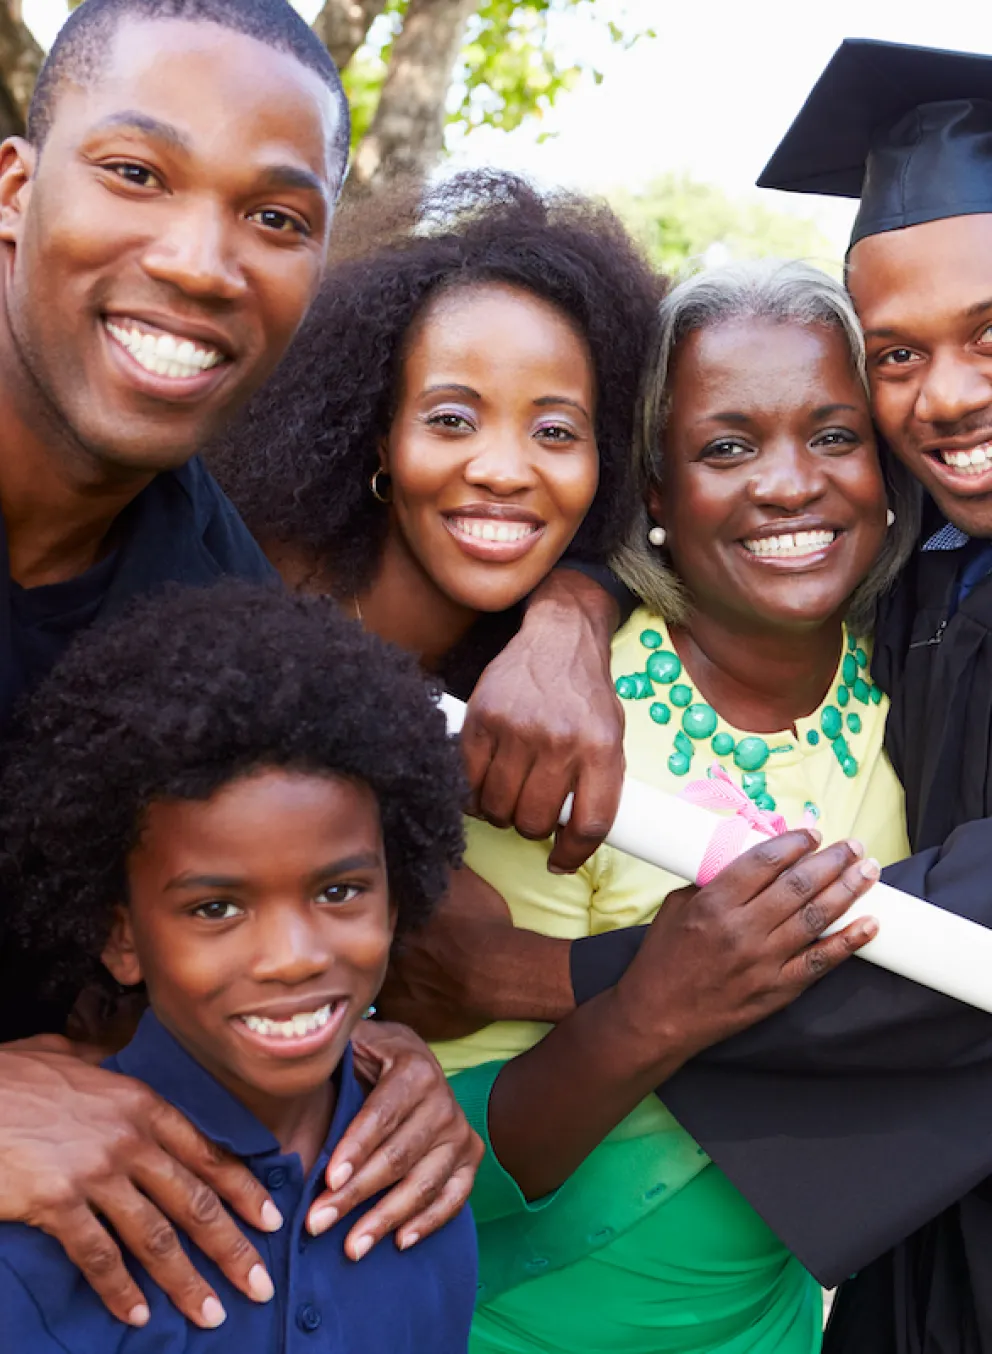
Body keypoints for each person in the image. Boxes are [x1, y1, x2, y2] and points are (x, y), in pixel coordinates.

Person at [0, 0, 484, 1331]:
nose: (204, 261)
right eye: (138, 173)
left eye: (275, 218)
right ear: (15, 188)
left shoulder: (204, 594)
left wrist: (351, 1070)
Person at [418, 259, 913, 1354]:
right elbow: (437, 1147)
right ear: (653, 486)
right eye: (725, 447)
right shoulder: (567, 728)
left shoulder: (915, 696)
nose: (787, 486)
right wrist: (651, 1009)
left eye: (833, 436)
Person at [0, 580, 477, 1350]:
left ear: (397, 900)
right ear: (120, 937)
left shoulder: (423, 1179)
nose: (291, 959)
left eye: (339, 890)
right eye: (215, 908)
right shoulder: (36, 1235)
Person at [208, 170, 661, 694]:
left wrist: (572, 616)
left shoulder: (597, 668)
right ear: (383, 439)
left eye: (555, 432)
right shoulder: (233, 570)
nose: (503, 473)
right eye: (451, 421)